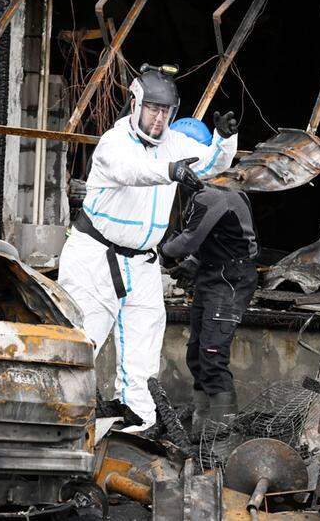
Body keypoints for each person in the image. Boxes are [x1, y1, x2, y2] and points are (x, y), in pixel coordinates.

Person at [57, 65, 239, 430]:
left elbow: (209, 165)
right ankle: (64, 429)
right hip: (95, 257)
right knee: (80, 346)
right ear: (136, 104)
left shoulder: (173, 141)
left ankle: (135, 434)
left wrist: (223, 139)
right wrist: (170, 170)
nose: (159, 119)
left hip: (142, 264)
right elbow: (133, 171)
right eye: (153, 109)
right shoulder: (114, 142)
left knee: (143, 359)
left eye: (166, 112)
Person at [161, 117, 259, 433]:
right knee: (197, 352)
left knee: (213, 353)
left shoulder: (213, 195)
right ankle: (202, 421)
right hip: (215, 274)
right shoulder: (214, 189)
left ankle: (223, 427)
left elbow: (188, 240)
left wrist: (161, 253)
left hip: (230, 279)